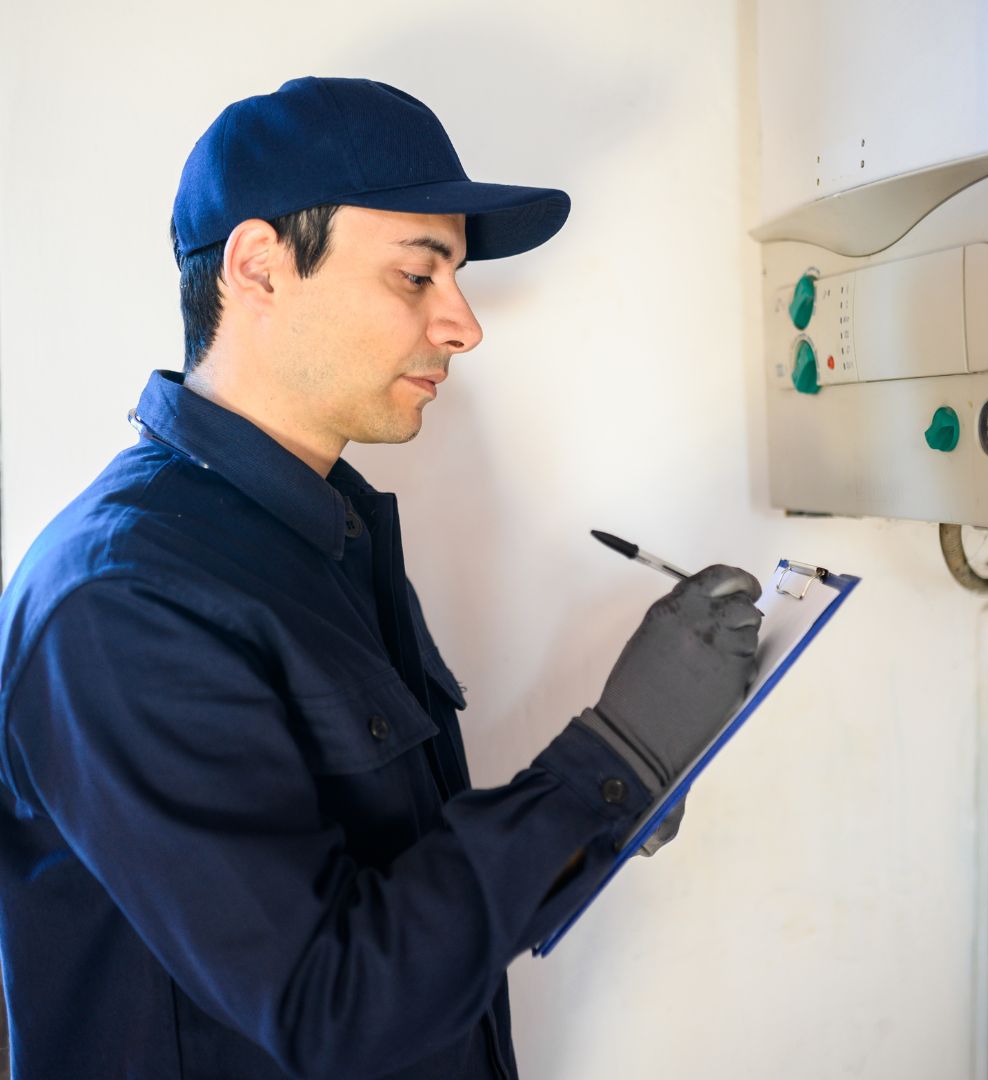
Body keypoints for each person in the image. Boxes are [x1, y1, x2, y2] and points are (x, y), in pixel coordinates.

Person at [0, 76, 762, 1079]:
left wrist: (611, 810)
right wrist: (607, 764)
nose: (464, 325)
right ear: (259, 267)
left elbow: (399, 894)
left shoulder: (323, 534)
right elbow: (332, 1008)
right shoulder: (124, 602)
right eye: (417, 276)